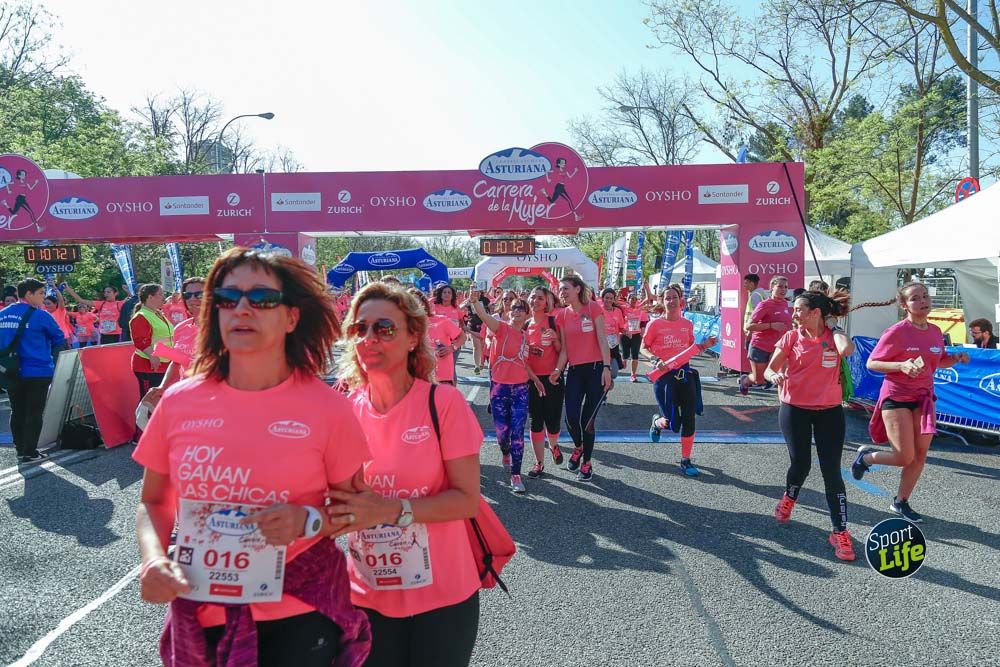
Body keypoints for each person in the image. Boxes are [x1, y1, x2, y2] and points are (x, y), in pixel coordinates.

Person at [133, 247, 372, 666]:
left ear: (292, 317)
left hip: (300, 613)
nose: (242, 309)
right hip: (202, 609)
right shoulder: (178, 402)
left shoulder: (328, 408)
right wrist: (153, 559)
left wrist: (308, 520)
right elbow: (154, 501)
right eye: (228, 299)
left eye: (261, 299)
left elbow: (359, 509)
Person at [328, 281, 483, 667]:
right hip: (368, 592)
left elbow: (466, 499)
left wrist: (389, 510)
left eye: (385, 328)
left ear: (414, 337)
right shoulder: (343, 411)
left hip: (444, 595)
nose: (369, 338)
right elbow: (337, 500)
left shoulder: (443, 404)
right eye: (359, 329)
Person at [851, 282, 970, 523]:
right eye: (916, 298)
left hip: (924, 399)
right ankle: (866, 458)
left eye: (925, 296)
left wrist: (956, 358)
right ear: (904, 305)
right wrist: (901, 365)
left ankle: (900, 502)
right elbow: (872, 363)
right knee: (903, 456)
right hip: (897, 398)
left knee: (920, 455)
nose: (923, 300)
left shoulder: (936, 331)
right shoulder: (896, 331)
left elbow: (939, 360)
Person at [764, 290, 857, 561]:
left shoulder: (833, 337)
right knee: (801, 463)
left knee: (832, 473)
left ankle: (840, 532)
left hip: (830, 412)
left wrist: (834, 327)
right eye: (794, 310)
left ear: (815, 312)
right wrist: (775, 375)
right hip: (795, 410)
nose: (794, 314)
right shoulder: (791, 337)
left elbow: (846, 350)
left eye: (799, 310)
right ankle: (789, 498)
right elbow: (770, 369)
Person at [470, 290, 544, 493]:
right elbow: (484, 316)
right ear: (508, 312)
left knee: (518, 433)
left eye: (521, 309)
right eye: (514, 308)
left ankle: (516, 474)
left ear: (527, 314)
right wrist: (476, 302)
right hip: (499, 387)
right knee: (503, 433)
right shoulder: (501, 328)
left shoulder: (526, 336)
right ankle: (505, 451)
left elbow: (524, 362)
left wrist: (535, 379)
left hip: (521, 388)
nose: (517, 312)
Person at [643, 284, 716, 477]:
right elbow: (643, 347)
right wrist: (655, 359)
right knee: (671, 423)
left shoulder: (687, 324)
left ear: (680, 300)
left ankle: (686, 460)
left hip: (684, 374)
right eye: (667, 298)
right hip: (663, 376)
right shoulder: (655, 324)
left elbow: (691, 348)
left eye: (674, 297)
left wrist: (706, 344)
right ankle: (657, 422)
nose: (671, 301)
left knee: (689, 418)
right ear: (661, 301)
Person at [550, 275, 614, 482]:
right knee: (570, 417)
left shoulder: (593, 308)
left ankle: (587, 463)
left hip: (596, 369)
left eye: (566, 288)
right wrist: (558, 370)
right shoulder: (562, 316)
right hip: (575, 371)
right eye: (561, 289)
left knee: (588, 421)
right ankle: (578, 446)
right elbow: (565, 351)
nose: (562, 292)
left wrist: (606, 368)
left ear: (578, 289)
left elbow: (603, 340)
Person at [0, 279, 65, 462]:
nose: (43, 298)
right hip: (37, 370)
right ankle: (30, 451)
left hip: (10, 371)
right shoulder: (41, 315)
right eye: (40, 293)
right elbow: (59, 338)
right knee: (34, 412)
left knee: (17, 410)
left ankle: (20, 449)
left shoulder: (2, 315)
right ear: (29, 294)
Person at [525, 287, 564, 477]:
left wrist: (555, 340)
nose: (536, 300)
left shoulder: (553, 321)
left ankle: (554, 445)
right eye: (533, 297)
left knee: (553, 420)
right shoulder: (524, 325)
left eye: (540, 298)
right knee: (535, 422)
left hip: (552, 378)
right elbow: (520, 355)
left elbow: (563, 350)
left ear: (546, 302)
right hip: (531, 379)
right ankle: (538, 463)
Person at [740, 275, 792, 394]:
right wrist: (771, 325)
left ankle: (784, 405)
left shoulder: (784, 304)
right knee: (759, 380)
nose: (783, 290)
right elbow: (749, 326)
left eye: (786, 287)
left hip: (778, 347)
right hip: (760, 346)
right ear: (772, 288)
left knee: (781, 375)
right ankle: (745, 380)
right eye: (780, 286)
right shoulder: (764, 305)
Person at [129, 284, 175, 402]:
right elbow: (140, 340)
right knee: (148, 402)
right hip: (148, 365)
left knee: (159, 401)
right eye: (160, 294)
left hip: (162, 363)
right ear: (150, 297)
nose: (163, 297)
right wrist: (152, 356)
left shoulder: (157, 313)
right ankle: (144, 421)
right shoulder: (141, 316)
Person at [410, 288, 465, 386]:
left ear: (423, 304)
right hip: (418, 376)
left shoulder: (441, 320)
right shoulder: (404, 325)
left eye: (416, 302)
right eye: (409, 303)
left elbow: (462, 336)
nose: (413, 306)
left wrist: (452, 347)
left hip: (442, 375)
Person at [63, 283, 128, 344]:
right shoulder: (101, 304)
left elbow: (134, 298)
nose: (106, 294)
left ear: (115, 293)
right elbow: (80, 300)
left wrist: (127, 290)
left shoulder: (119, 304)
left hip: (116, 335)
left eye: (108, 292)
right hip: (103, 335)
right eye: (105, 292)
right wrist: (67, 289)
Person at [621, 291, 650, 382]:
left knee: (635, 355)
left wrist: (642, 328)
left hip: (636, 335)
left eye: (635, 299)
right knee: (625, 353)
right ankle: (624, 359)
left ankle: (633, 374)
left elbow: (644, 321)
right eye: (631, 299)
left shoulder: (640, 308)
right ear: (628, 300)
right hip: (625, 334)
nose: (633, 300)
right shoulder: (623, 308)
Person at [600, 288, 626, 377]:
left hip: (613, 344)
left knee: (614, 374)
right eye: (607, 298)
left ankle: (608, 383)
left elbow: (621, 327)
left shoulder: (618, 311)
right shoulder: (599, 310)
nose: (609, 300)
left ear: (614, 299)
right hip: (601, 344)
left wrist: (626, 332)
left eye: (611, 298)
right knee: (601, 372)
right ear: (602, 298)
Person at [464, 290, 491, 374]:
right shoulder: (469, 299)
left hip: (484, 323)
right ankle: (476, 366)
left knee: (483, 345)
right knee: (476, 346)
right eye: (475, 292)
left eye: (478, 292)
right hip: (473, 324)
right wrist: (467, 303)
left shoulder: (485, 300)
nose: (477, 293)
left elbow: (491, 309)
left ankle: (482, 362)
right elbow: (460, 307)